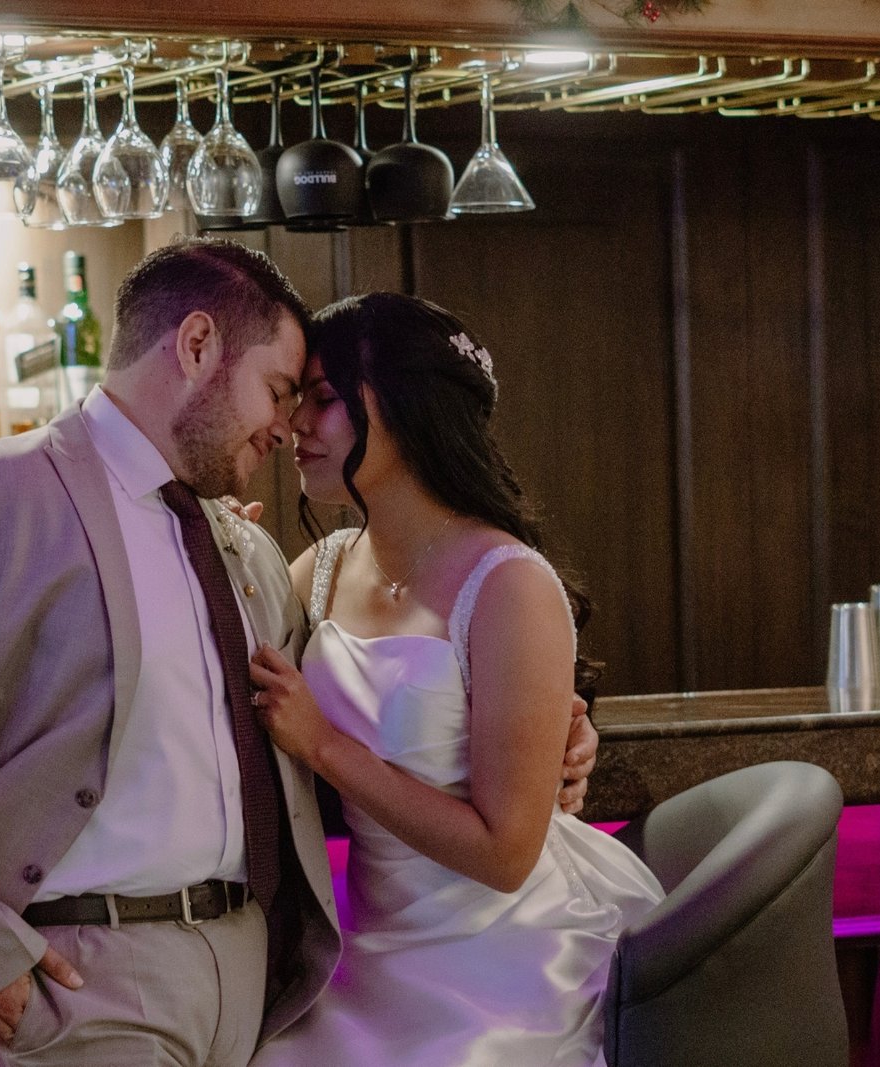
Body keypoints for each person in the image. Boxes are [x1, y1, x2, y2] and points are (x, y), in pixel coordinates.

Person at [0, 237, 598, 1067]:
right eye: (281, 391)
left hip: (266, 979)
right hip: (86, 976)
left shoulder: (247, 548)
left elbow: (379, 704)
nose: (288, 425)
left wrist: (550, 723)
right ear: (195, 346)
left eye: (314, 398)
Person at [247, 292, 665, 1067]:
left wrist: (325, 745)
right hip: (365, 951)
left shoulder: (509, 584)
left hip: (500, 958)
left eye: (325, 397)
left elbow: (505, 855)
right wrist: (225, 555)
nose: (296, 422)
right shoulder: (320, 569)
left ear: (405, 408)